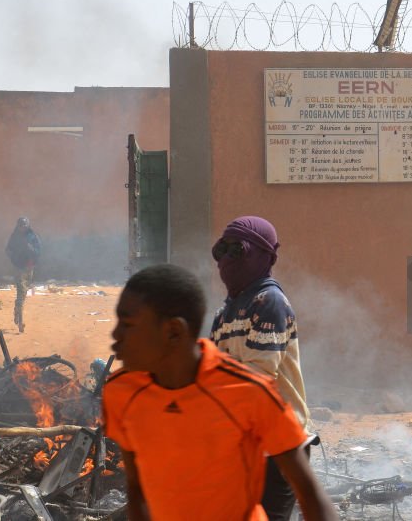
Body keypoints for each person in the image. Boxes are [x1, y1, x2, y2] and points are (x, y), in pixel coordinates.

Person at [102, 264, 337, 521]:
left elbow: (311, 496)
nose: (115, 335)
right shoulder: (121, 393)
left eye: (128, 324)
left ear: (173, 331)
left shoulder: (248, 393)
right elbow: (137, 490)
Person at [209, 216, 311, 521]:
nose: (225, 260)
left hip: (279, 445)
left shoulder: (270, 302)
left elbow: (258, 378)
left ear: (262, 257)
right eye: (221, 249)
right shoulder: (224, 313)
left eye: (236, 250)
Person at [5, 217, 41, 333]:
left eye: (24, 225)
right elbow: (8, 250)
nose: (23, 227)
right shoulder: (14, 236)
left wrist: (30, 248)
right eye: (21, 225)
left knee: (24, 292)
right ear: (18, 226)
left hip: (29, 268)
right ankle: (20, 322)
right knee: (21, 293)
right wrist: (14, 258)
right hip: (19, 268)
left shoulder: (32, 236)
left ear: (27, 226)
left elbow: (38, 251)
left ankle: (17, 312)